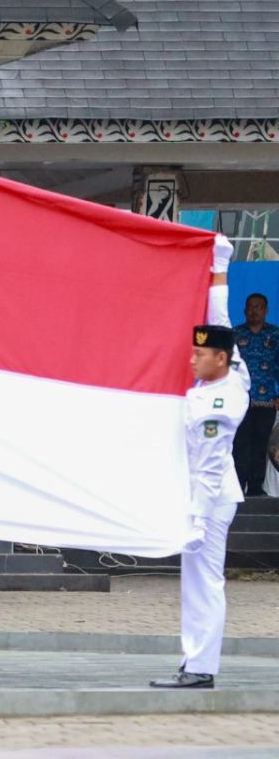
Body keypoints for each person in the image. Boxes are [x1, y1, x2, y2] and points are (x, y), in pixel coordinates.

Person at [152, 234, 248, 690]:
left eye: (199, 354)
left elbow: (209, 468)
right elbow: (221, 318)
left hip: (209, 501)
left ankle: (201, 667)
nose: (191, 360)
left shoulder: (220, 404)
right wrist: (219, 265)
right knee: (196, 582)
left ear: (220, 359)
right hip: (204, 496)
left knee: (204, 582)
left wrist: (196, 516)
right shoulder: (233, 369)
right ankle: (194, 662)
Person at [230, 292, 279, 496]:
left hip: (267, 401)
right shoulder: (234, 334)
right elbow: (225, 367)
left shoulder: (276, 335)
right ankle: (238, 487)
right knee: (240, 445)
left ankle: (256, 489)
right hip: (239, 401)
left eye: (258, 307)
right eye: (250, 306)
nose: (254, 310)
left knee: (261, 446)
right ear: (244, 310)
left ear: (266, 310)